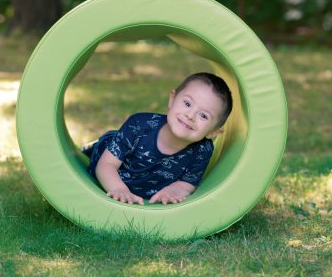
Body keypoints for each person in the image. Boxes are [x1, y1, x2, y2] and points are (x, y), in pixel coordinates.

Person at [83, 72, 233, 205]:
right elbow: (107, 164)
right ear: (172, 99)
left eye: (203, 116)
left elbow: (188, 182)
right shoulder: (139, 125)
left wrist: (173, 191)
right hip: (109, 154)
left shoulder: (203, 150)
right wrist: (119, 189)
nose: (190, 116)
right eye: (187, 103)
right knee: (107, 142)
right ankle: (92, 146)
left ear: (213, 132)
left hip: (146, 181)